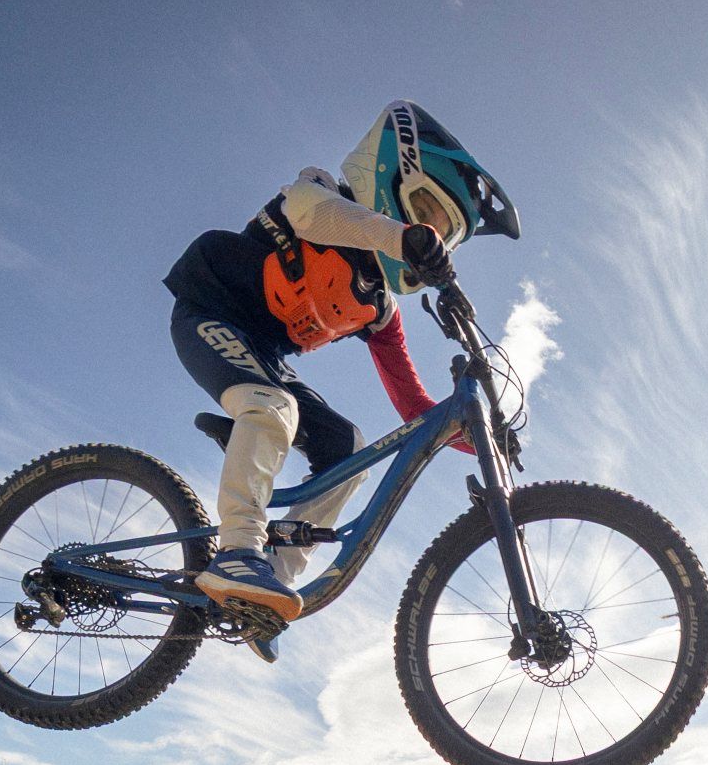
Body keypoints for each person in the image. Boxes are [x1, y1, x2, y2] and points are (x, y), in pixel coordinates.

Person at [163, 101, 520, 624]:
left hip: (264, 358)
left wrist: (481, 438)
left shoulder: (378, 309)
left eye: (445, 232)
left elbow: (414, 407)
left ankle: (266, 588)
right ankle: (238, 551)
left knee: (348, 448)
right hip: (208, 310)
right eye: (428, 213)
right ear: (391, 175)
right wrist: (402, 237)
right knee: (271, 406)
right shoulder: (317, 193)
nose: (432, 234)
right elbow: (311, 217)